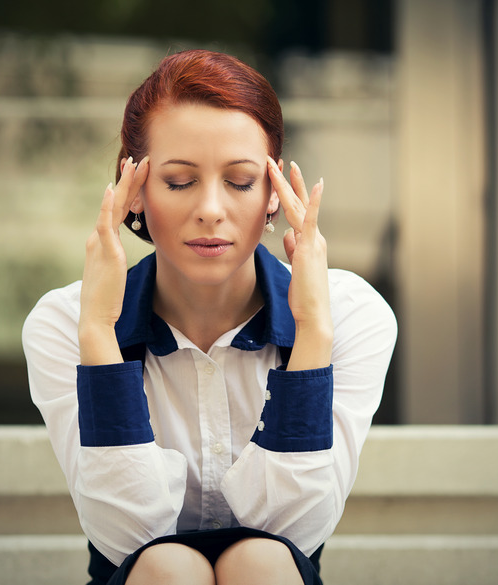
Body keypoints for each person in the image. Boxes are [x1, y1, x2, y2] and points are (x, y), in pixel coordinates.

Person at [22, 49, 397, 585]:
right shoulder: (64, 322)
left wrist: (312, 330)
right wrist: (99, 334)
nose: (211, 210)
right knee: (165, 568)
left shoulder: (351, 314)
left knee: (261, 561)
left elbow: (292, 533)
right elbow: (129, 535)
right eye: (179, 182)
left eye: (241, 181)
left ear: (273, 194)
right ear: (135, 192)